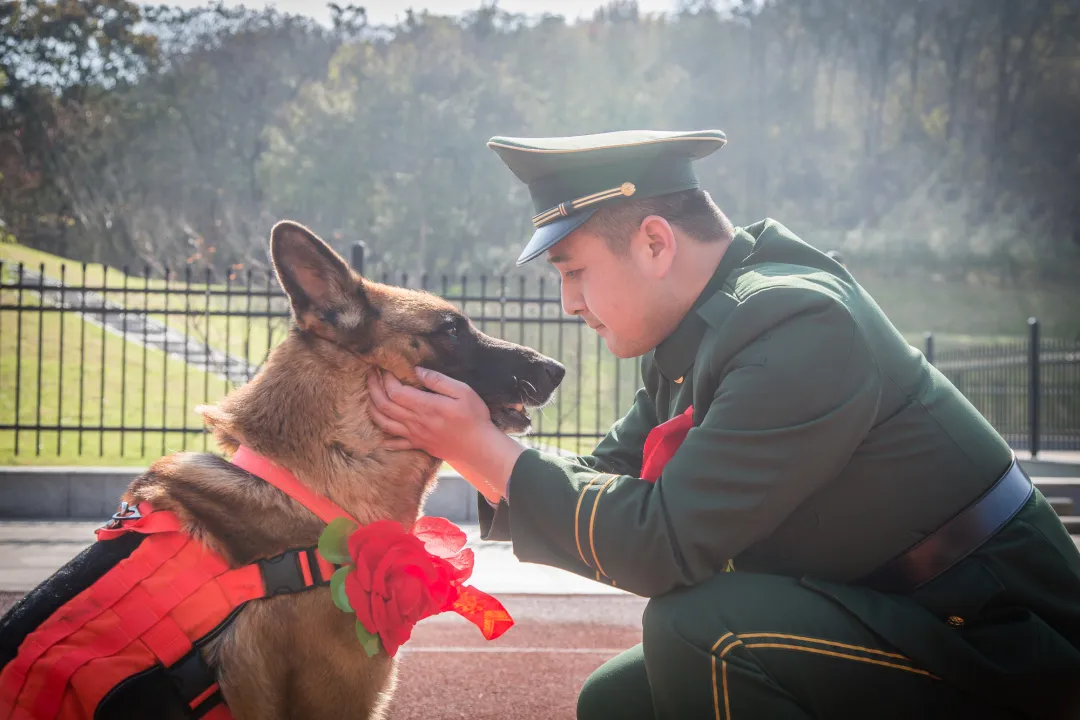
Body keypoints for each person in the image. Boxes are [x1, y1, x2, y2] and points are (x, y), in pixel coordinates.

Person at [367, 129, 1080, 719]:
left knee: (704, 631)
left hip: (1004, 643)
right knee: (617, 704)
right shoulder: (703, 332)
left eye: (574, 270)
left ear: (654, 243)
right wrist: (465, 447)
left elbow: (665, 542)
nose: (568, 303)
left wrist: (484, 449)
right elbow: (610, 482)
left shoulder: (797, 323)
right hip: (902, 613)